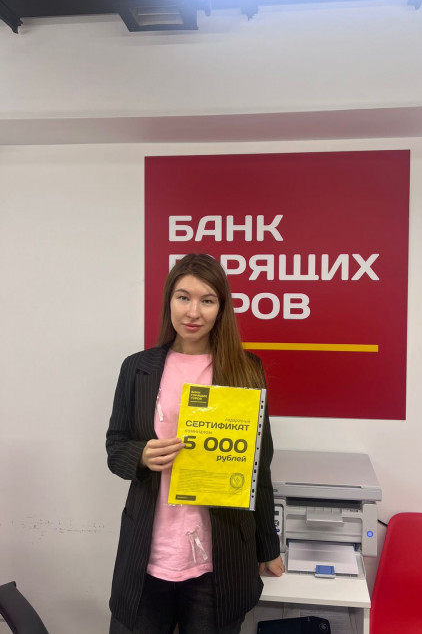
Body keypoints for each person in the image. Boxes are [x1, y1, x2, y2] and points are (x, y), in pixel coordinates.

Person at [106, 253, 284, 634]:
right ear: (169, 301)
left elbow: (259, 466)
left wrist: (268, 547)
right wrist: (141, 455)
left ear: (222, 308)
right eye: (183, 297)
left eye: (207, 300)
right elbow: (115, 445)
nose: (193, 312)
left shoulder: (245, 369)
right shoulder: (137, 368)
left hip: (217, 562)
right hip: (148, 556)